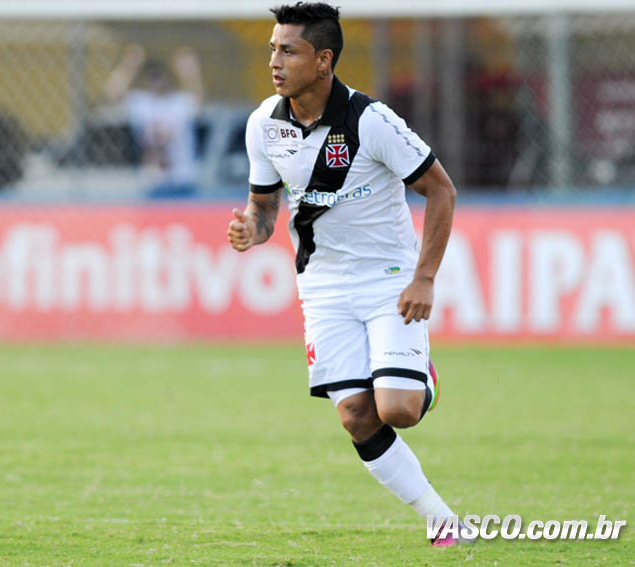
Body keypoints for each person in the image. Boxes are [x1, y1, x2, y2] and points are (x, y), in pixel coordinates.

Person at [227, 3, 462, 546]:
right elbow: (264, 207)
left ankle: (419, 375)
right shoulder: (264, 124)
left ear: (323, 60)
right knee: (357, 415)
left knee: (398, 410)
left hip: (388, 281)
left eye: (289, 51)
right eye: (272, 49)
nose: (275, 62)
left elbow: (441, 190)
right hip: (323, 287)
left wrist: (424, 278)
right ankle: (443, 520)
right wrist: (251, 230)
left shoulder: (370, 121)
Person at [104, 44, 204, 197]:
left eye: (158, 76)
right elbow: (111, 94)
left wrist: (190, 72)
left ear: (167, 78)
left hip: (182, 179)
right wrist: (129, 65)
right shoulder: (140, 103)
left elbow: (198, 100)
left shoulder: (179, 102)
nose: (156, 81)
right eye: (151, 76)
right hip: (152, 182)